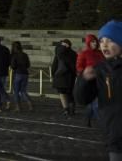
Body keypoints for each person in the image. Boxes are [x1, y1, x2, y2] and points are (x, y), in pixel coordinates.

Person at [75, 20, 122, 161]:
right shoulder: (100, 69)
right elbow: (82, 99)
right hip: (115, 138)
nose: (104, 44)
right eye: (101, 41)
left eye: (110, 40)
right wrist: (84, 80)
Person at [79, 33, 104, 126]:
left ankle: (88, 119)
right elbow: (79, 67)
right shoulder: (84, 53)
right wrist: (86, 72)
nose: (95, 43)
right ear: (88, 42)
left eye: (95, 41)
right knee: (94, 103)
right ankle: (100, 121)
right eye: (93, 41)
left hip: (101, 80)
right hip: (89, 81)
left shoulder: (100, 53)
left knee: (96, 102)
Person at [51, 38, 77, 117]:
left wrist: (53, 74)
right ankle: (72, 108)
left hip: (60, 76)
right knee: (70, 92)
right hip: (70, 76)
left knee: (62, 93)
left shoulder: (59, 53)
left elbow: (54, 64)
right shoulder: (73, 53)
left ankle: (66, 109)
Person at [9, 41, 32, 111]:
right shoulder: (25, 55)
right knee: (23, 91)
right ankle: (30, 104)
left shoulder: (14, 55)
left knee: (16, 91)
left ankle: (18, 107)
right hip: (25, 73)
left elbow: (13, 66)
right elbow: (28, 65)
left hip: (17, 73)